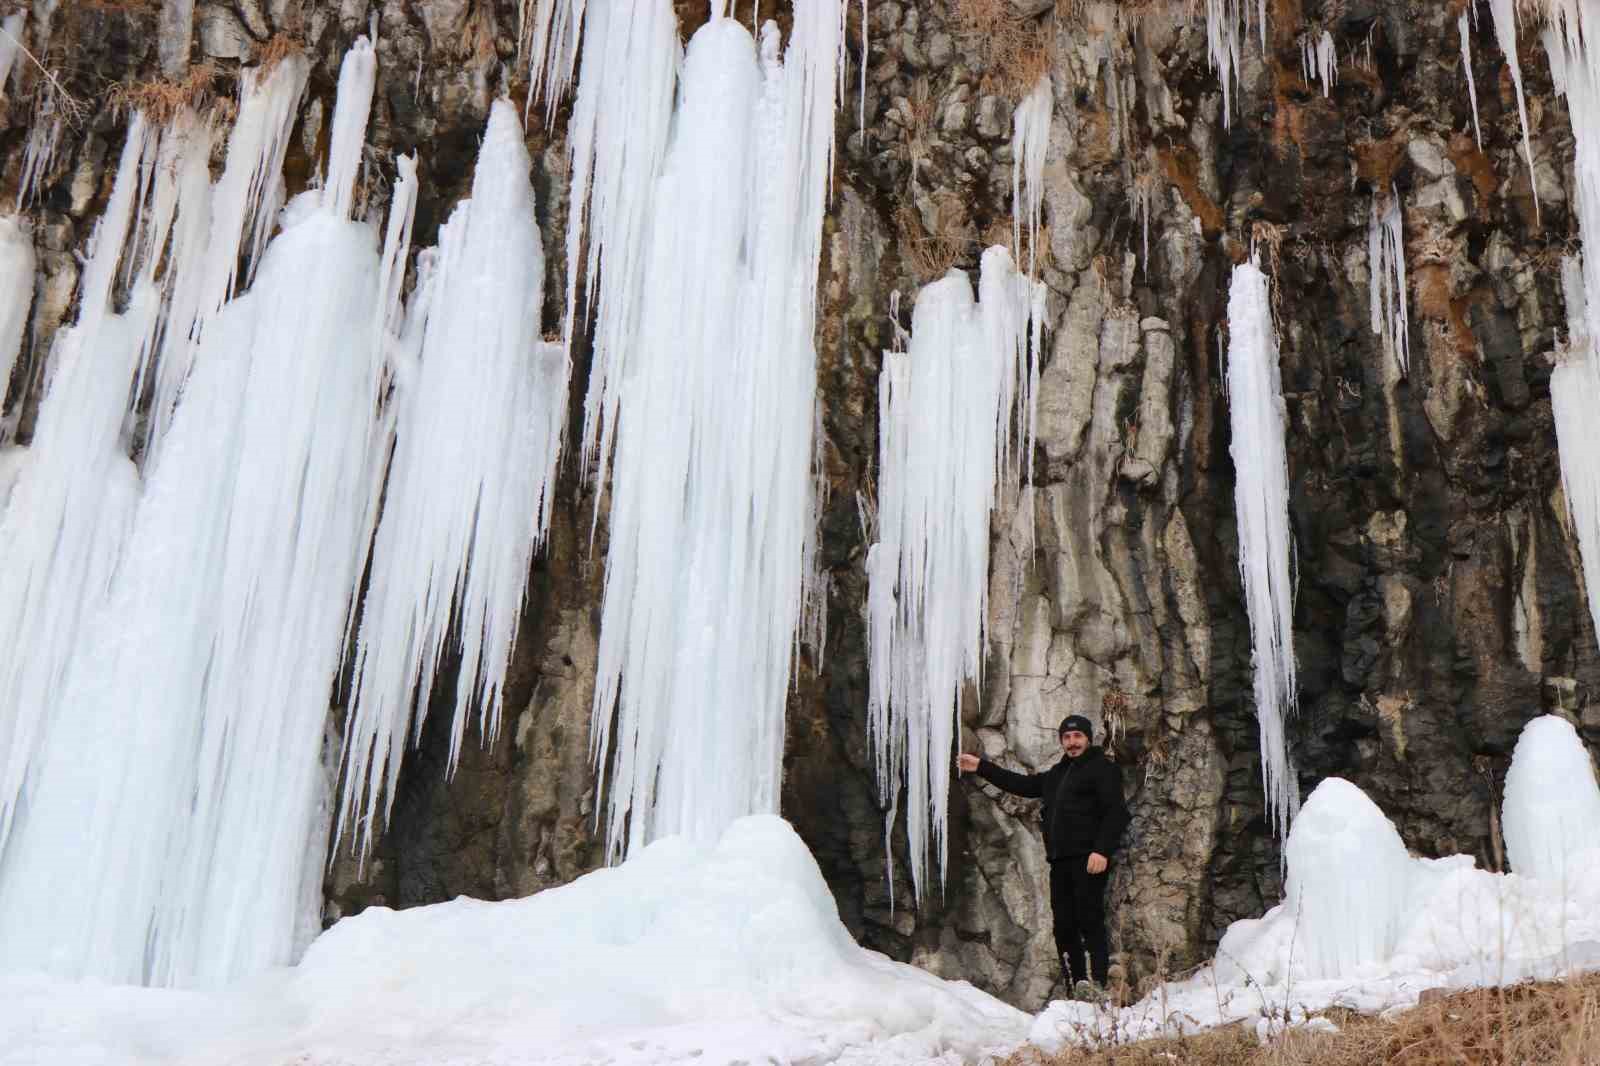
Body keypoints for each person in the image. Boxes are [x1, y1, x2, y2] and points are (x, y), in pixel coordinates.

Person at [957, 714, 1129, 999]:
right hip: (1060, 862)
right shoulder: (1057, 775)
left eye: (1077, 737)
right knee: (1063, 925)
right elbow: (1023, 786)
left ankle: (1099, 982)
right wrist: (980, 767)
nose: (1072, 742)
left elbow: (1116, 812)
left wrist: (1102, 850)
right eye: (1067, 737)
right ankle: (1077, 986)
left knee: (1090, 919)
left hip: (1089, 859)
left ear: (1088, 738)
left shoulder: (1103, 770)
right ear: (1062, 741)